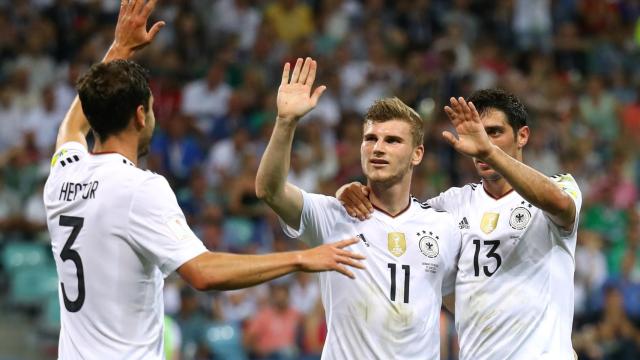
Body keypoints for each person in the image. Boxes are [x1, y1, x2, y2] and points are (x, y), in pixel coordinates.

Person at [43, 2, 364, 359]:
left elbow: (72, 125)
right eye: (151, 108)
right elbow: (203, 272)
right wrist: (301, 258)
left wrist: (118, 50)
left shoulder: (64, 173)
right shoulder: (138, 187)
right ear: (139, 115)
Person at [339, 89, 582, 359]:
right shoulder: (450, 206)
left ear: (522, 136)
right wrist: (349, 192)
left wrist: (489, 152)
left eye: (494, 132)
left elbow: (559, 204)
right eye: (475, 134)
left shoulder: (560, 186)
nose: (481, 141)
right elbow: (397, 220)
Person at [255, 57, 461, 359]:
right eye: (370, 139)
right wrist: (286, 122)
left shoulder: (444, 227)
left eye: (392, 140)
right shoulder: (332, 215)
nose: (378, 148)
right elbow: (269, 191)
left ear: (417, 154)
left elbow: (463, 304)